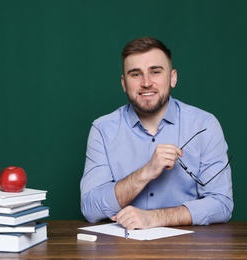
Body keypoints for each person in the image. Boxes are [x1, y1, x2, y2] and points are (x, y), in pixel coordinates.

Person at [80, 37, 233, 230]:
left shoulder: (205, 126)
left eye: (155, 72)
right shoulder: (102, 129)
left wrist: (154, 218)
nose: (146, 83)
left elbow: (222, 204)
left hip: (189, 249)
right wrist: (146, 172)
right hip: (122, 250)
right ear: (124, 83)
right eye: (135, 74)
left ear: (173, 77)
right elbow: (90, 209)